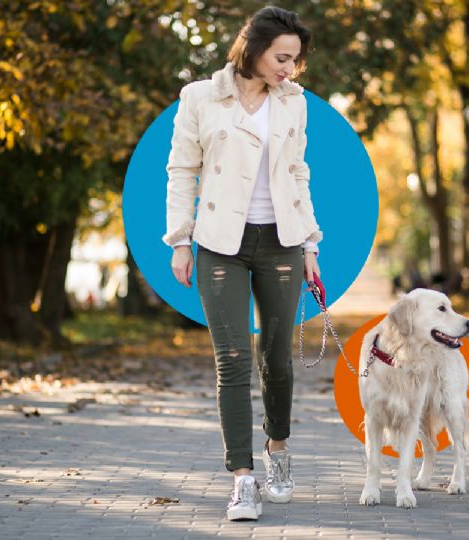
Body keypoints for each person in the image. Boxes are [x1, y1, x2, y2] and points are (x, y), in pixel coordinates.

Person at [161, 6, 322, 522]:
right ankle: (242, 480)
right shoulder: (200, 98)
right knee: (231, 360)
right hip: (218, 244)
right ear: (252, 47)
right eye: (282, 57)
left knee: (275, 359)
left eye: (295, 60)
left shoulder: (294, 103)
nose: (289, 69)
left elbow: (298, 173)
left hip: (281, 243)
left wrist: (310, 243)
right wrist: (180, 241)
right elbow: (182, 170)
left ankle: (278, 450)